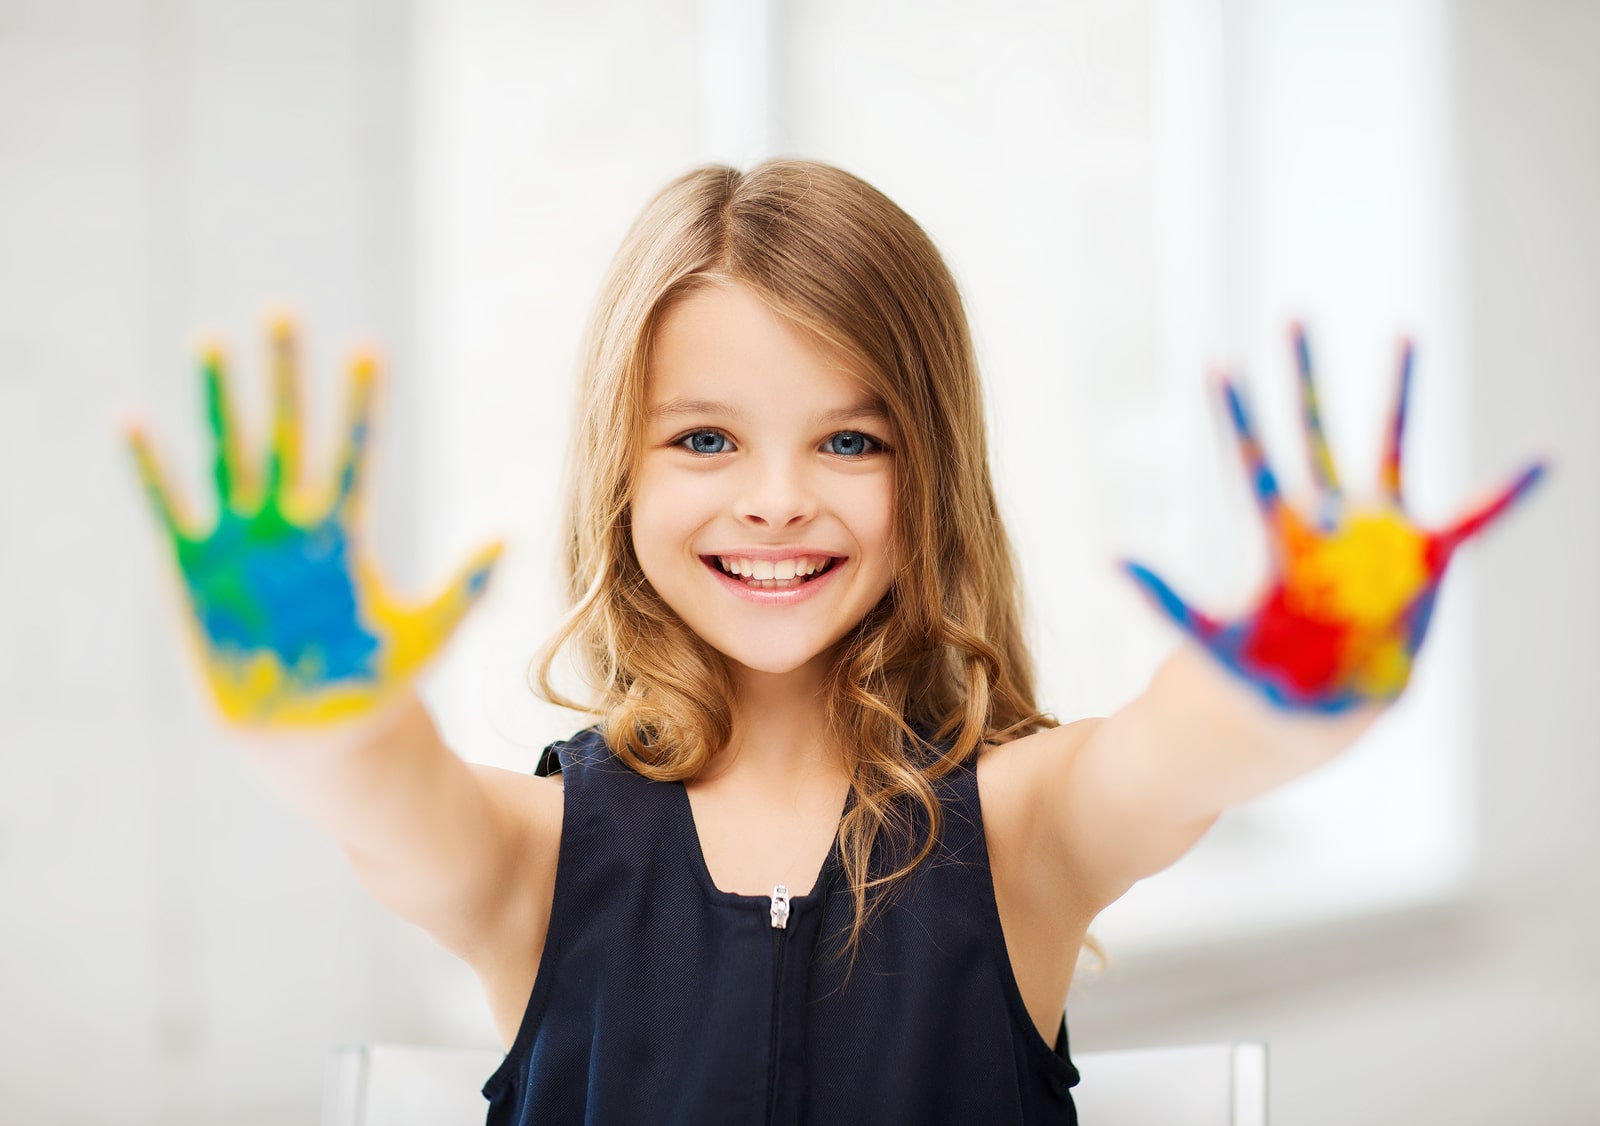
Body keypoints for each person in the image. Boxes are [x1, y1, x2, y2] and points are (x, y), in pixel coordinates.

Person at [125, 159, 1543, 1124]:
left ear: (932, 471)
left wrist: (1299, 666)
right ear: (620, 475)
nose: (779, 496)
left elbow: (1188, 748)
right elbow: (375, 790)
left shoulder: (1025, 826)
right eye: (706, 438)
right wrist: (317, 700)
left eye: (850, 437)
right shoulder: (531, 857)